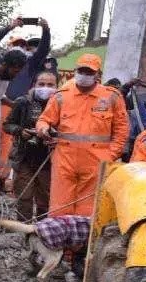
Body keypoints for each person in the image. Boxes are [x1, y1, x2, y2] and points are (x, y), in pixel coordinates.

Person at [36, 53, 129, 217]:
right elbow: (44, 119)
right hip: (64, 159)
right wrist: (43, 129)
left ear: (97, 74)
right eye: (81, 71)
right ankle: (60, 233)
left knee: (88, 210)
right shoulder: (61, 95)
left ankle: (83, 234)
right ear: (75, 71)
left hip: (96, 161)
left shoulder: (111, 97)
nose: (84, 75)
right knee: (59, 207)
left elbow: (121, 129)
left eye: (89, 72)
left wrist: (111, 155)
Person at [0, 18, 52, 189]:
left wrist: (46, 30)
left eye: (23, 45)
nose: (20, 47)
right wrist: (9, 27)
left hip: (17, 110)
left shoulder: (28, 66)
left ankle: (0, 180)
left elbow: (43, 50)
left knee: (10, 146)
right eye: (16, 44)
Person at [3, 71, 58, 221]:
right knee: (24, 196)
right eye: (41, 84)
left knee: (45, 198)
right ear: (34, 85)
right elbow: (7, 125)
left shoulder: (61, 103)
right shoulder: (23, 102)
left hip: (49, 160)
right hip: (24, 157)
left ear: (57, 86)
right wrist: (20, 131)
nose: (45, 87)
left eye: (50, 85)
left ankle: (42, 228)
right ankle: (23, 228)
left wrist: (54, 136)